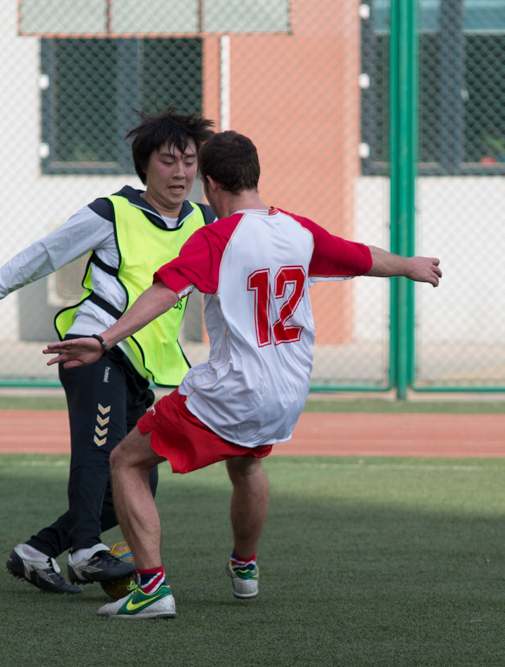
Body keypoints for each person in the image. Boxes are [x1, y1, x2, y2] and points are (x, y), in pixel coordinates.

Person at [43, 130, 443, 618]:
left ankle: (151, 590)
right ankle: (245, 566)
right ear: (254, 175)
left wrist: (104, 339)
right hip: (289, 392)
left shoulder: (217, 237)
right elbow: (361, 256)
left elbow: (165, 292)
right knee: (247, 463)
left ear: (211, 184)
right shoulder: (297, 229)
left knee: (126, 461)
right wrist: (410, 265)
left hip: (235, 390)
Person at [0, 110, 216, 595]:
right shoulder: (112, 212)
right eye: (168, 161)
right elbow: (44, 253)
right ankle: (86, 552)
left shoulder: (204, 221)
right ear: (144, 165)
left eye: (188, 161)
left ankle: (38, 551)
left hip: (141, 365)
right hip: (93, 350)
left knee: (135, 482)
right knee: (101, 452)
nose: (180, 173)